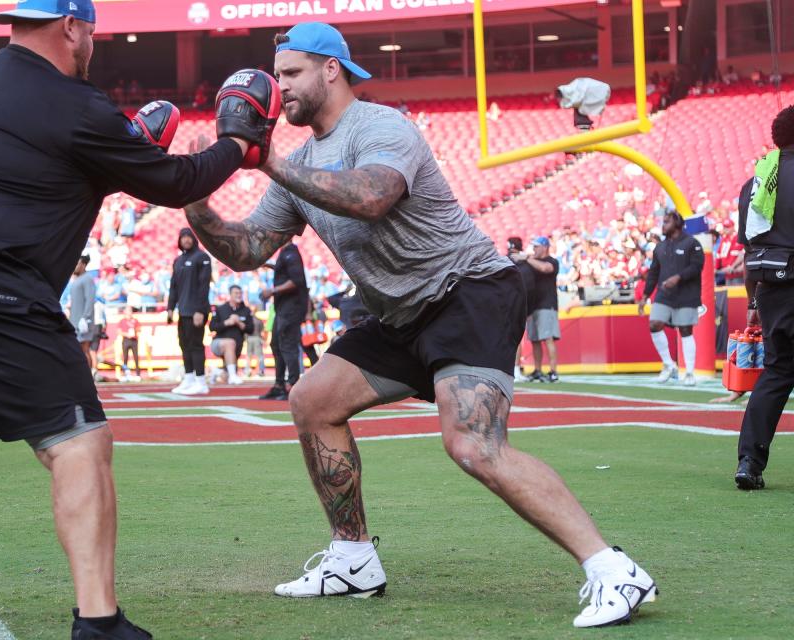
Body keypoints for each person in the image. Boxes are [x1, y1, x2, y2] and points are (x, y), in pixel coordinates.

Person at [183, 21, 655, 628]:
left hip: (470, 291)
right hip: (398, 311)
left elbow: (373, 194)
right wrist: (192, 192)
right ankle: (353, 559)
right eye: (277, 77)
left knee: (473, 445)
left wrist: (269, 160)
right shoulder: (299, 162)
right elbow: (247, 249)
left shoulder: (381, 126)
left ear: (332, 69)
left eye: (292, 73)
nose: (282, 89)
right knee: (312, 400)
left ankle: (613, 569)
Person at [0, 0, 255, 636]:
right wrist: (238, 145)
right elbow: (177, 182)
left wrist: (119, 153)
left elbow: (37, 178)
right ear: (73, 27)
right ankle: (99, 622)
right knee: (79, 442)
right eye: (91, 32)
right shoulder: (73, 104)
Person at [734, 105, 794, 490]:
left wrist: (753, 304)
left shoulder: (756, 181)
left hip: (770, 288)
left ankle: (749, 463)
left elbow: (747, 252)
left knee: (776, 372)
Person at [638, 211, 704, 386]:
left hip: (686, 293)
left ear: (677, 223)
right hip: (664, 294)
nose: (663, 225)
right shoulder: (660, 247)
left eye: (667, 222)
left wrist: (678, 277)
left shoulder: (692, 243)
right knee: (654, 324)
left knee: (685, 330)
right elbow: (653, 273)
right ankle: (669, 365)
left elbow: (697, 267)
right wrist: (645, 295)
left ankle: (689, 372)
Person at [258, 242, 308, 400]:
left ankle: (293, 385)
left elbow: (296, 280)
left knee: (287, 345)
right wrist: (270, 265)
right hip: (283, 308)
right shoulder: (285, 253)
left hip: (291, 308)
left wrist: (272, 290)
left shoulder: (290, 252)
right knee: (276, 344)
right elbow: (289, 272)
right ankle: (279, 385)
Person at [167, 228, 212, 395]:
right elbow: (174, 287)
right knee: (184, 345)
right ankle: (189, 378)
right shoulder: (178, 260)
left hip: (196, 311)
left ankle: (201, 381)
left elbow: (204, 285)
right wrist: (170, 308)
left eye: (188, 237)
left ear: (194, 238)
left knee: (196, 345)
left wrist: (200, 310)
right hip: (183, 310)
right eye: (183, 237)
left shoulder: (202, 257)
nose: (186, 240)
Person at [525, 237, 560, 382]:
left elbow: (545, 268)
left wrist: (527, 259)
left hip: (547, 304)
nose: (534, 250)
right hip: (533, 306)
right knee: (535, 340)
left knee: (548, 338)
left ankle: (553, 371)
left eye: (536, 247)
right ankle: (538, 370)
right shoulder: (533, 262)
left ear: (545, 247)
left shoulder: (552, 261)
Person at [208, 284, 254, 384]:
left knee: (226, 378)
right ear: (230, 295)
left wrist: (239, 323)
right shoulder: (220, 309)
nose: (239, 295)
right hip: (219, 343)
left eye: (240, 293)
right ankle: (233, 375)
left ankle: (217, 372)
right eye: (236, 293)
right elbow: (212, 327)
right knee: (230, 343)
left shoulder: (246, 310)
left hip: (237, 348)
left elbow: (251, 329)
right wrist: (227, 322)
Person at [506, 236, 536, 382]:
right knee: (515, 339)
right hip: (516, 305)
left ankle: (514, 369)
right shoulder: (524, 264)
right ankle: (514, 370)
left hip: (508, 305)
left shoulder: (506, 261)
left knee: (512, 339)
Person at [69, 255, 96, 366]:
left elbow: (90, 299)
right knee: (78, 351)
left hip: (83, 322)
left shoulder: (87, 279)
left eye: (77, 263)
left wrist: (85, 318)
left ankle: (88, 378)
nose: (75, 266)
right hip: (75, 321)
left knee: (84, 350)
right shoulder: (77, 280)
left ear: (83, 265)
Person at [118, 305, 141, 381]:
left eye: (130, 311)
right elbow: (119, 331)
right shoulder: (122, 321)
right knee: (125, 358)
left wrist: (135, 333)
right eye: (128, 310)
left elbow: (139, 329)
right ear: (125, 312)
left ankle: (138, 374)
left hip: (134, 340)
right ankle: (125, 374)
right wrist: (127, 334)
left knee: (136, 357)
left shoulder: (135, 320)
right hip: (126, 340)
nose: (129, 312)